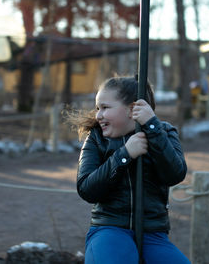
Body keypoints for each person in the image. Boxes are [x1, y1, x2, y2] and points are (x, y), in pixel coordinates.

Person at [70, 75, 190, 264]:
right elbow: (87, 189)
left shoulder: (164, 132)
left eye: (105, 107)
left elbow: (174, 174)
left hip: (153, 233)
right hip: (110, 229)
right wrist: (124, 154)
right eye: (97, 108)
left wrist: (152, 127)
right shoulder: (96, 138)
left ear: (132, 109)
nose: (98, 115)